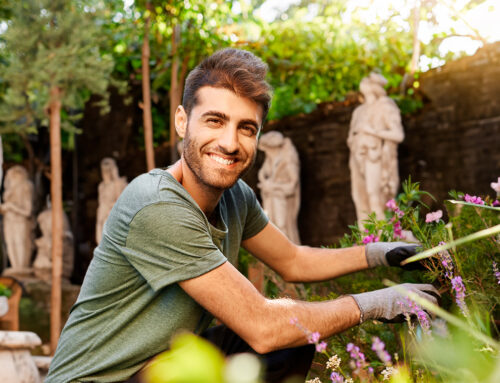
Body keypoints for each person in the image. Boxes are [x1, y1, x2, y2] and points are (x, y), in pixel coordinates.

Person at [46, 49, 438, 383]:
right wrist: (378, 303)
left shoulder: (236, 196)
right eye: (215, 120)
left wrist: (381, 253)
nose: (230, 143)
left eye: (246, 128)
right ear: (183, 121)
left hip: (156, 369)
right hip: (96, 379)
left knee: (290, 344)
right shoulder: (156, 204)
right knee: (274, 335)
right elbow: (263, 327)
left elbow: (293, 260)